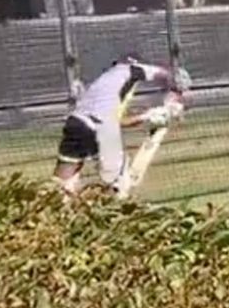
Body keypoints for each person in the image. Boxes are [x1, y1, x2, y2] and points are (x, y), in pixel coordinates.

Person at [53, 53, 191, 199]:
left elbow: (113, 120)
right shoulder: (131, 70)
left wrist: (146, 117)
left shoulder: (103, 83)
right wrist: (175, 98)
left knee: (62, 182)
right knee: (120, 184)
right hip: (99, 129)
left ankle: (54, 208)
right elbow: (174, 78)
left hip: (75, 124)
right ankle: (108, 212)